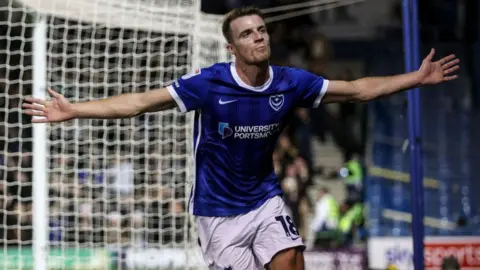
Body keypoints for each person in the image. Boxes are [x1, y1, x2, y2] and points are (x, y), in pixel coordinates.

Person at [22, 6, 459, 270]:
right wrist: (75, 110)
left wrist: (416, 79)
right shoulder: (209, 85)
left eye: (262, 30)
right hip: (217, 212)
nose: (259, 36)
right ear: (232, 47)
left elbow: (359, 90)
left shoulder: (290, 82)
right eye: (248, 33)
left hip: (264, 198)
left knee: (290, 256)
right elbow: (139, 102)